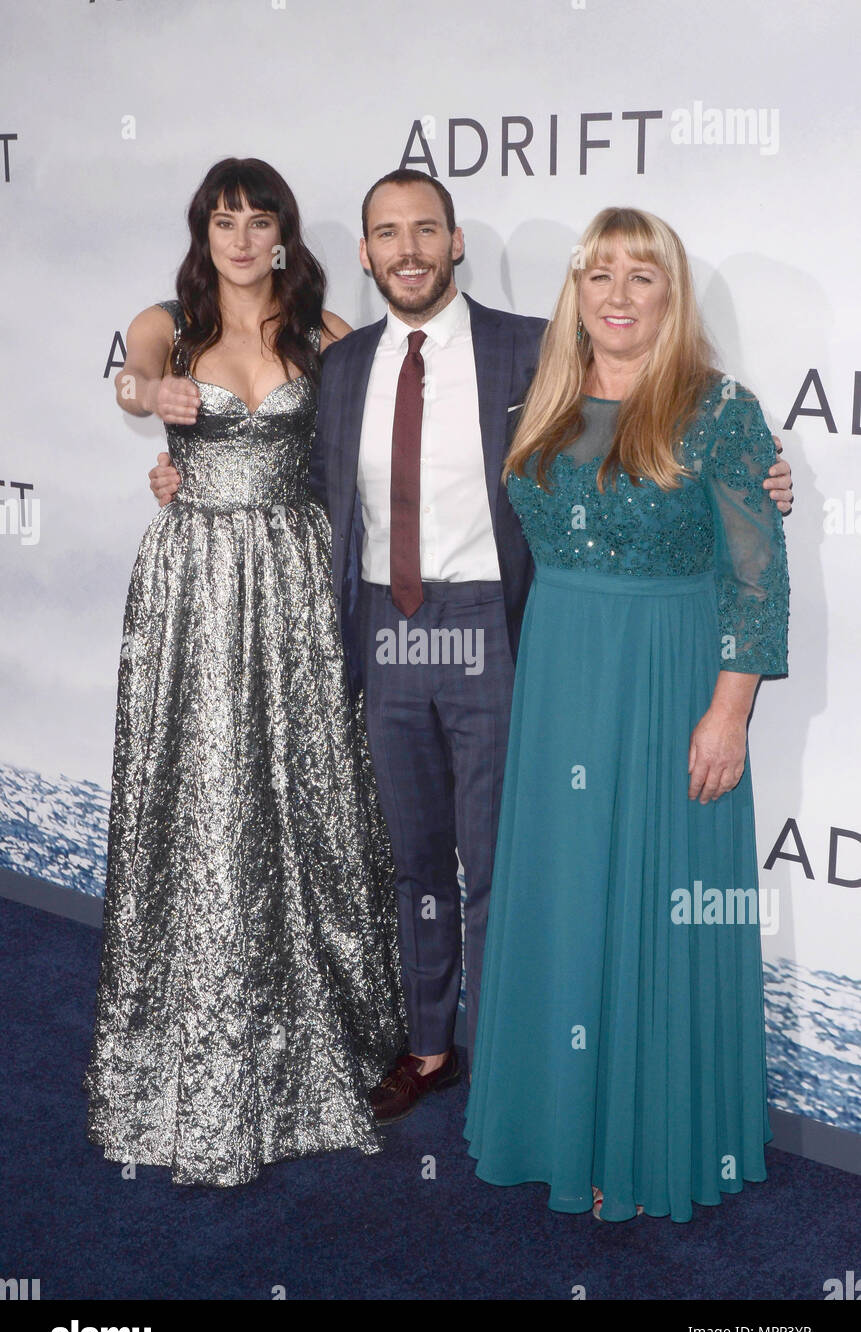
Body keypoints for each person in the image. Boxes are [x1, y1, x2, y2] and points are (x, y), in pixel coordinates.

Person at [148, 171, 794, 1127]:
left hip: (497, 629)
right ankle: (429, 1044)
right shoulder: (338, 361)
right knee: (411, 859)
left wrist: (758, 479)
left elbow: (643, 424)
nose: (407, 250)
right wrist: (180, 473)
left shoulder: (535, 350)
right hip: (380, 626)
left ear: (454, 243)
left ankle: (511, 1057)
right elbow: (256, 427)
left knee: (507, 861)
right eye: (385, 234)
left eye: (425, 230)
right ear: (362, 256)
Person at [464, 207, 790, 1224]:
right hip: (561, 678)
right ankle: (551, 1125)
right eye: (598, 273)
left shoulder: (720, 408)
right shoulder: (545, 397)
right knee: (568, 899)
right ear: (576, 289)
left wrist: (729, 712)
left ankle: (638, 1140)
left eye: (640, 276)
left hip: (666, 682)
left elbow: (755, 582)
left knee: (651, 899)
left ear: (671, 295)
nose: (615, 293)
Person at [84, 157, 405, 1187]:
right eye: (221, 219)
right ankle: (198, 1045)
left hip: (298, 581)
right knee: (208, 800)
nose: (238, 236)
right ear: (203, 230)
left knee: (309, 798)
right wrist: (151, 396)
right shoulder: (164, 324)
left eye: (256, 219)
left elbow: (408, 402)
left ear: (281, 234)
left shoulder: (323, 332)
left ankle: (327, 1029)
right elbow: (132, 379)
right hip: (195, 584)